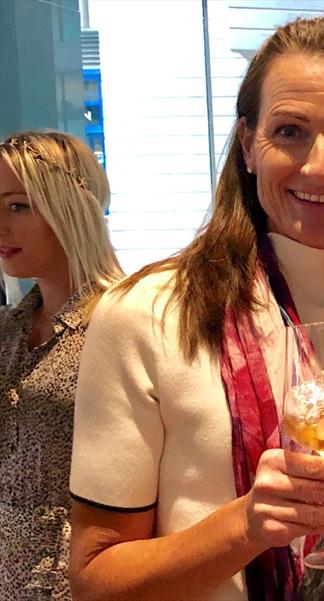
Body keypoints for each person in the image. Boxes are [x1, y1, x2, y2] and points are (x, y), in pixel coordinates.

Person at [68, 16, 324, 601]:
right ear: (248, 145)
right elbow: (95, 580)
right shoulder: (145, 316)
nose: (320, 166)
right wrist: (246, 526)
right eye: (290, 131)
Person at [0, 131, 123, 600]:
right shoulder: (9, 330)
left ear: (68, 208)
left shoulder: (120, 320)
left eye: (18, 206)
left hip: (76, 581)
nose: (1, 224)